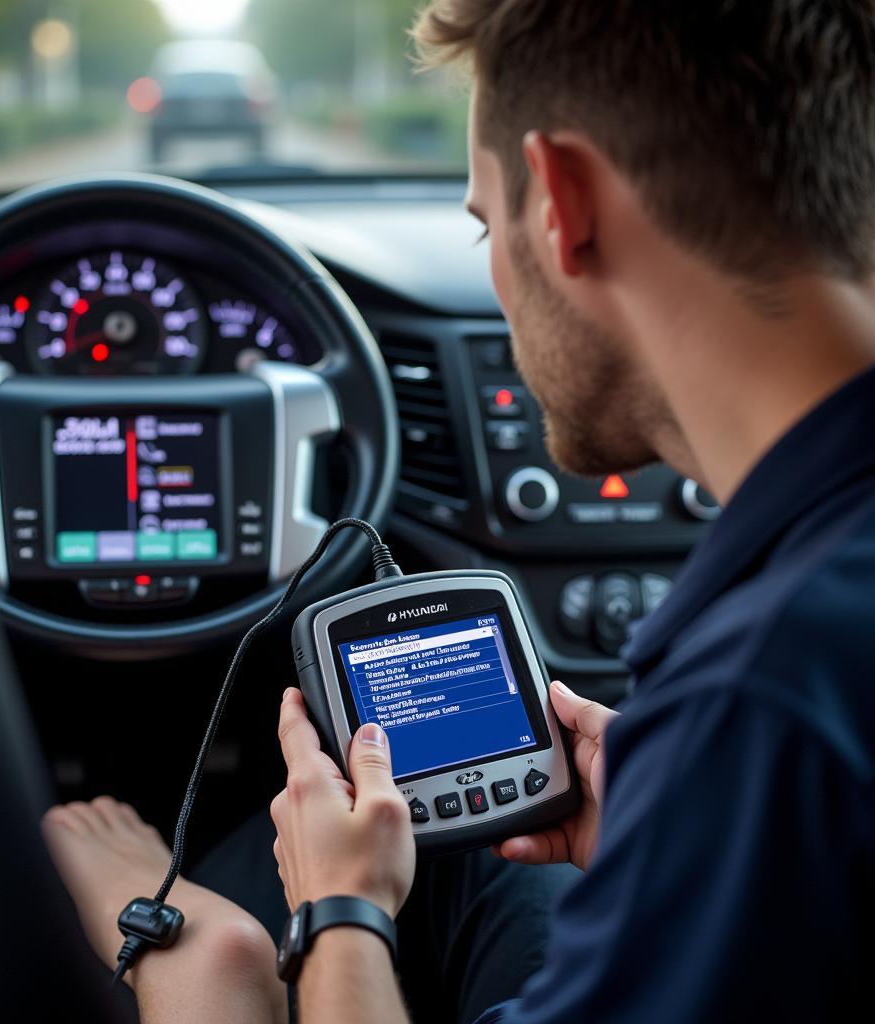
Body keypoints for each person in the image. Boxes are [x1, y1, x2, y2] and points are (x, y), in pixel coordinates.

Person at [43, 1, 875, 1021]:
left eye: (484, 221)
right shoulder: (788, 679)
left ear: (563, 200)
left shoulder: (762, 706)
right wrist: (669, 834)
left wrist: (297, 927)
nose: (493, 265)